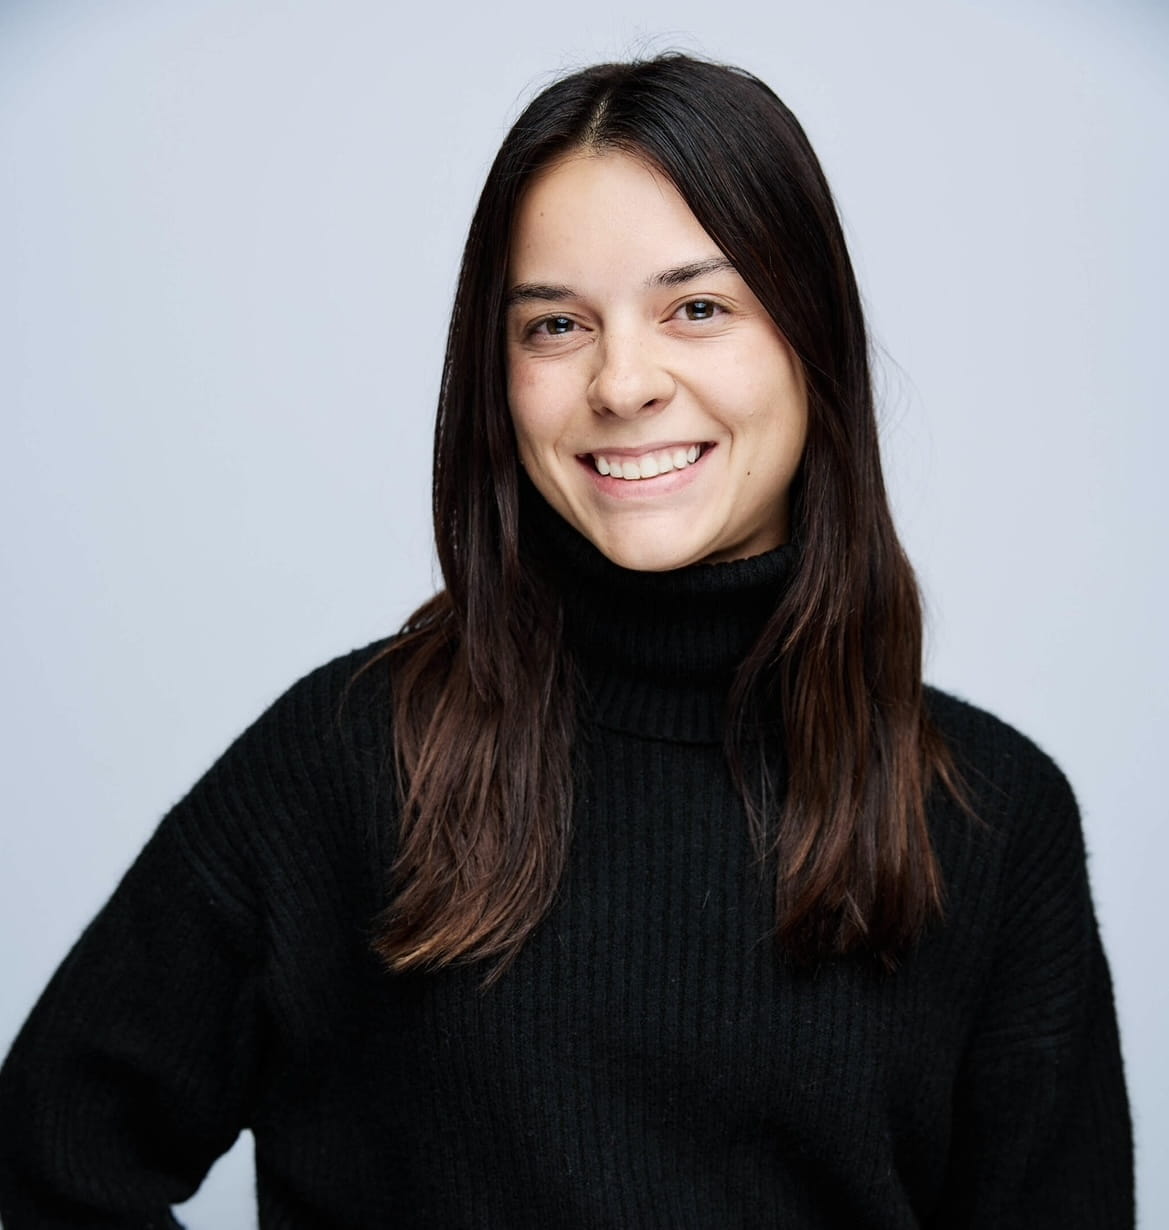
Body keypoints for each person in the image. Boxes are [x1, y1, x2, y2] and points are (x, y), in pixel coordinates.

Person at [0, 53, 1132, 1228]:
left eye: (697, 307)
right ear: (497, 377)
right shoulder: (345, 762)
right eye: (556, 325)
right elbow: (47, 1159)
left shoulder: (992, 821)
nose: (622, 381)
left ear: (810, 339)